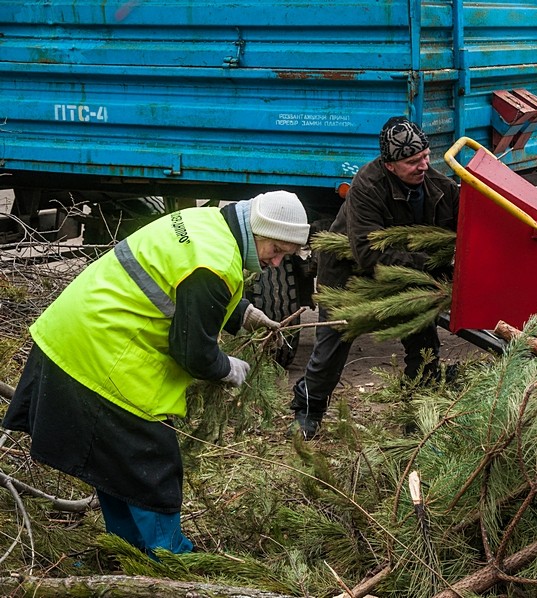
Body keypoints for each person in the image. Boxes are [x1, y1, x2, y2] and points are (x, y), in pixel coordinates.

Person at [2, 190, 310, 555]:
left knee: (115, 466)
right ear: (257, 229)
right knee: (151, 467)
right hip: (100, 356)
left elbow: (178, 280)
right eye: (276, 249)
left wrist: (242, 312)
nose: (276, 263)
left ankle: (127, 553)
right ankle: (170, 561)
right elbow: (193, 352)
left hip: (69, 337)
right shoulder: (216, 262)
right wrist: (227, 368)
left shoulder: (207, 223)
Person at [290, 116, 459, 440]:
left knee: (423, 343)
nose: (423, 165)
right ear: (390, 165)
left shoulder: (438, 185)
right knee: (333, 344)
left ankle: (416, 417)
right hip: (350, 274)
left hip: (408, 272)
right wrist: (431, 263)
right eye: (412, 161)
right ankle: (307, 411)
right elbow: (369, 255)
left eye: (425, 155)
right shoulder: (367, 187)